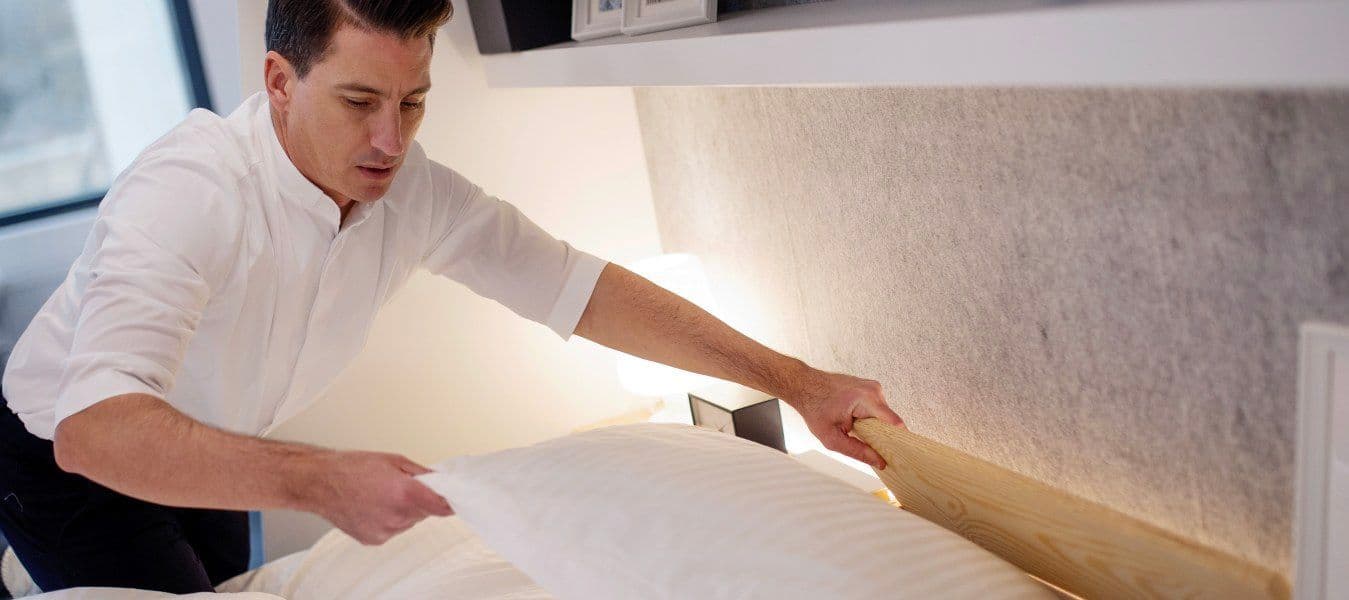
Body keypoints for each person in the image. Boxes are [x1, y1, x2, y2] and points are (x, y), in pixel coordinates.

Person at [0, 0, 905, 593]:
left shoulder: (413, 190)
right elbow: (97, 431)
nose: (390, 141)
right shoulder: (187, 193)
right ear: (280, 82)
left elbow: (575, 287)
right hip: (62, 461)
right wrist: (320, 478)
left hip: (217, 438)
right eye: (359, 101)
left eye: (414, 103)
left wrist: (797, 380)